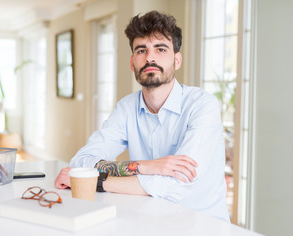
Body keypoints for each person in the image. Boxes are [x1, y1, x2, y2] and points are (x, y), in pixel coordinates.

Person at [54, 10, 230, 222]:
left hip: (203, 228)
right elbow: (80, 162)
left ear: (177, 60)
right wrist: (145, 166)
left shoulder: (203, 106)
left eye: (160, 49)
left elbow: (175, 184)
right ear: (132, 63)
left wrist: (96, 182)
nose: (150, 58)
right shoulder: (127, 108)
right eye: (141, 50)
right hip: (149, 221)